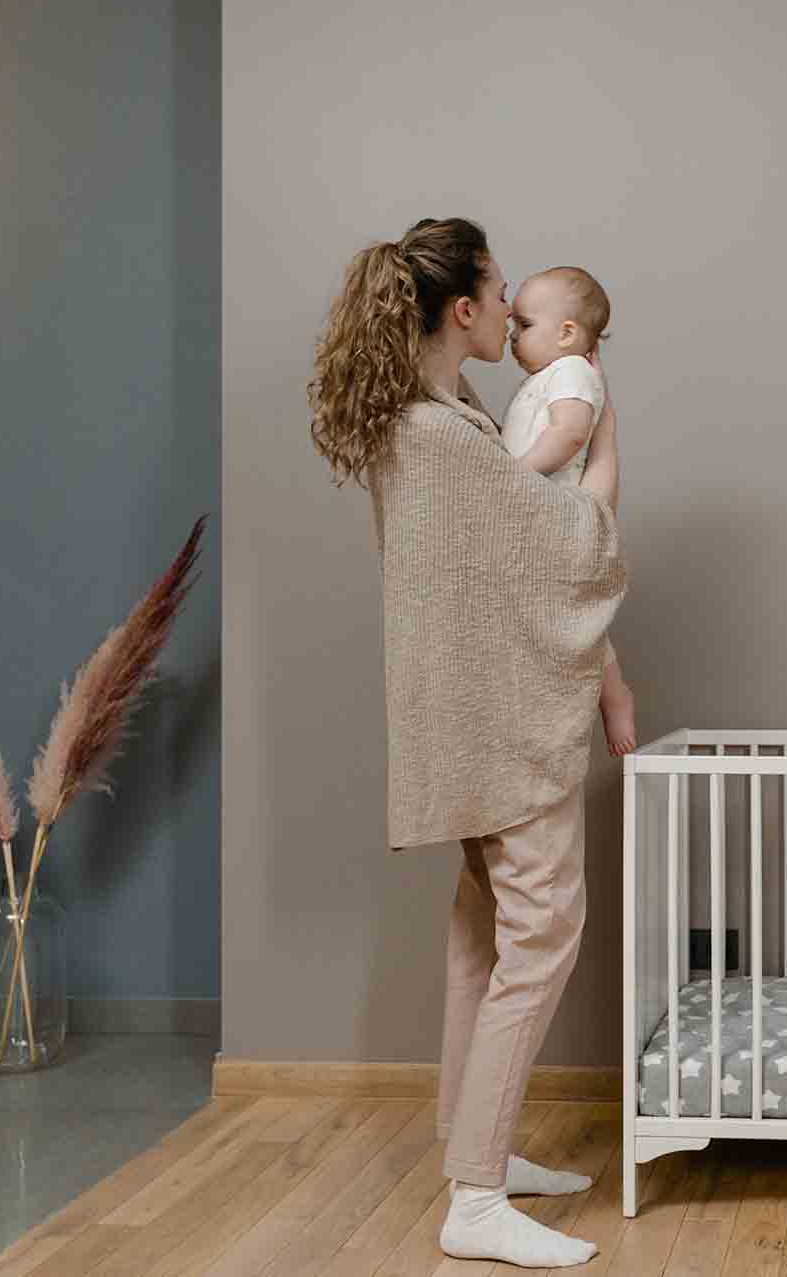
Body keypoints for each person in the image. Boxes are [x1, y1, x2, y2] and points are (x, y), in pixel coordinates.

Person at [308, 217, 625, 1268]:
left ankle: (472, 1147)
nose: (508, 313)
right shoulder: (440, 436)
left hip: (472, 721)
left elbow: (508, 563)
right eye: (499, 296)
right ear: (463, 309)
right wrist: (608, 453)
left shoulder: (442, 417)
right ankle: (476, 1198)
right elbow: (565, 546)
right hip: (497, 729)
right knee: (540, 939)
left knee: (483, 937)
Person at [503, 264, 637, 755]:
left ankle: (614, 696)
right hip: (537, 520)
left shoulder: (573, 371)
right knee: (565, 620)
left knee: (576, 621)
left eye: (524, 325)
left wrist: (512, 475)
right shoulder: (548, 376)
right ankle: (607, 694)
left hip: (560, 522)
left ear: (566, 333)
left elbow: (570, 433)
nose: (512, 336)